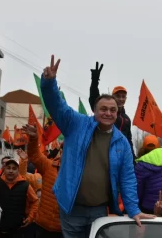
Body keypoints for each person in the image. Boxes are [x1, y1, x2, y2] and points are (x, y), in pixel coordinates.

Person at [41, 55, 154, 238]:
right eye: (103, 109)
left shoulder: (122, 143)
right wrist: (48, 82)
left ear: (118, 114)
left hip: (99, 210)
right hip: (71, 208)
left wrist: (133, 209)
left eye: (112, 110)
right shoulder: (75, 124)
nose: (108, 113)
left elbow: (127, 178)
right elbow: (57, 106)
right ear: (94, 110)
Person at [0, 158, 39, 238]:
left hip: (17, 230)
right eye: (8, 168)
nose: (11, 171)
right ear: (4, 169)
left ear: (18, 171)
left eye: (14, 168)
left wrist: (30, 217)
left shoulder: (25, 185)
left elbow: (35, 201)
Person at [88, 62, 135, 160]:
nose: (121, 99)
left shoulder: (126, 119)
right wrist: (95, 81)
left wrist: (132, 157)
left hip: (122, 155)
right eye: (118, 96)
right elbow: (94, 100)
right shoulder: (106, 114)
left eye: (123, 97)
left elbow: (129, 139)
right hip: (104, 152)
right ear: (112, 97)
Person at [21, 126, 62, 238]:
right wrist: (34, 139)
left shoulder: (78, 173)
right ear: (62, 151)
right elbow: (34, 155)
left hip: (64, 229)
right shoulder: (49, 166)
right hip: (42, 227)